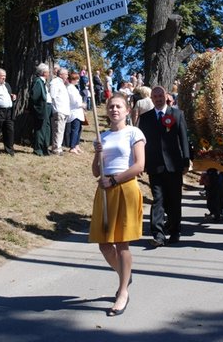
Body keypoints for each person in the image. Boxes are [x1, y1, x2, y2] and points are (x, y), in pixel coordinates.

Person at [89, 93, 145, 317]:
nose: (114, 110)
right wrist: (97, 154)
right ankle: (124, 273)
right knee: (104, 244)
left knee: (122, 244)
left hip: (125, 188)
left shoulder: (134, 133)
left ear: (127, 110)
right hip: (104, 191)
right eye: (111, 106)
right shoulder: (102, 136)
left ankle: (123, 292)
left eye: (119, 106)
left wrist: (114, 180)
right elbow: (95, 171)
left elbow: (140, 165)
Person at [138, 86, 190, 247]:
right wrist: (141, 163)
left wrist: (186, 161)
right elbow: (142, 143)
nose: (158, 98)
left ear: (166, 96)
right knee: (158, 200)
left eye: (161, 95)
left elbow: (184, 139)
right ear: (151, 99)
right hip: (155, 165)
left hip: (174, 165)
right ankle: (158, 235)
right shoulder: (145, 117)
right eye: (155, 96)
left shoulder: (177, 114)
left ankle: (175, 231)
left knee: (174, 200)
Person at [0, 68, 16, 156]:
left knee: (10, 130)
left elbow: (9, 95)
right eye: (2, 77)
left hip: (8, 111)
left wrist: (13, 97)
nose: (4, 78)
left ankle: (9, 149)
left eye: (5, 77)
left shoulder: (7, 85)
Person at [30, 63, 51, 156]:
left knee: (46, 128)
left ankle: (45, 148)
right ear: (43, 73)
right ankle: (38, 149)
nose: (49, 73)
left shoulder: (43, 82)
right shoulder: (38, 81)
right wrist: (39, 108)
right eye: (47, 72)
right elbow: (35, 97)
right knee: (40, 129)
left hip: (47, 107)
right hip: (42, 108)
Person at [49, 67, 70, 155]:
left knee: (61, 130)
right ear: (61, 75)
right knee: (58, 130)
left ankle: (59, 147)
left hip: (64, 110)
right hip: (59, 109)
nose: (67, 76)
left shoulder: (62, 84)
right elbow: (52, 95)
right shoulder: (55, 82)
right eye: (66, 74)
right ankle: (56, 148)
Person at [66, 72, 86, 154]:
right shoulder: (70, 88)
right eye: (76, 79)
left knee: (79, 129)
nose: (78, 80)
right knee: (75, 129)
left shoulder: (74, 88)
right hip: (74, 111)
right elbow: (74, 101)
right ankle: (72, 146)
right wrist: (81, 105)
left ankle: (76, 145)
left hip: (78, 111)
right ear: (73, 79)